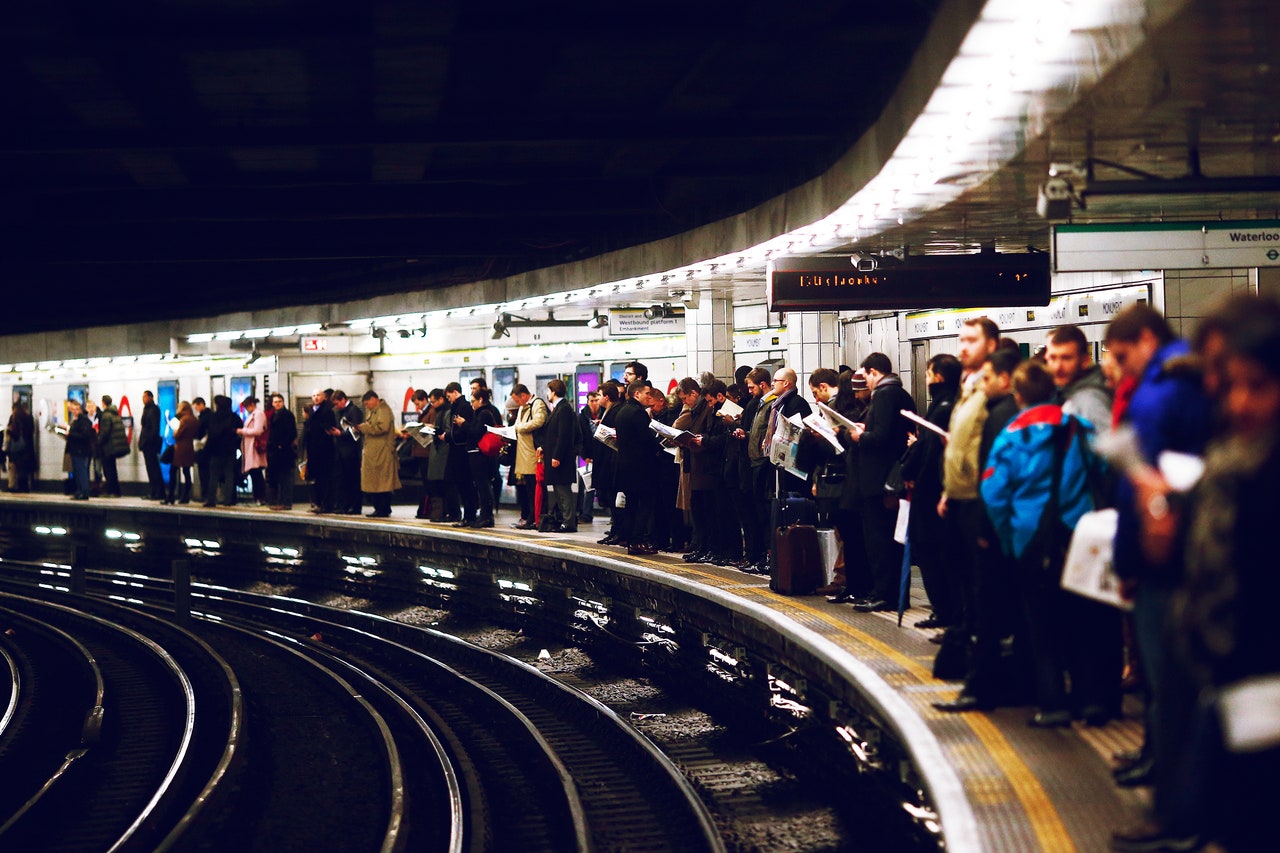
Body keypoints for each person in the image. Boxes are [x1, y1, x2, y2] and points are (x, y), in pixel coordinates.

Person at [982, 360, 1115, 728]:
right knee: (1083, 621)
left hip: (1031, 541)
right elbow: (1102, 470)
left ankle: (1054, 703)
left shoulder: (1012, 435)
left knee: (1042, 625)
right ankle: (1091, 703)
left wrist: (1010, 538)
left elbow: (994, 493)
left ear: (1018, 395)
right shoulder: (1079, 427)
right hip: (1078, 536)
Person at [844, 352, 916, 612]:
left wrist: (859, 436)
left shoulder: (885, 395)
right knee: (887, 540)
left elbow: (883, 436)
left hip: (878, 480)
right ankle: (893, 594)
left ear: (873, 372)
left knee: (880, 540)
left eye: (866, 376)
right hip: (887, 479)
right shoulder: (900, 394)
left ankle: (884, 594)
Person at [899, 355, 960, 623]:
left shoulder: (943, 407)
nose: (926, 378)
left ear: (938, 376)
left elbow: (933, 450)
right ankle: (944, 610)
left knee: (933, 553)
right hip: (935, 487)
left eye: (928, 373)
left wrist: (913, 475)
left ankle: (944, 611)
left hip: (931, 490)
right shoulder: (947, 403)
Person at [540, 378, 579, 532]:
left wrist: (557, 456)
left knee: (563, 491)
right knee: (558, 490)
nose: (547, 394)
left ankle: (569, 522)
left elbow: (564, 436)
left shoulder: (563, 409)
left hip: (561, 459)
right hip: (555, 457)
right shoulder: (558, 408)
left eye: (548, 391)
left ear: (554, 392)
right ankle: (563, 519)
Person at [461, 387, 501, 527]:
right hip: (481, 454)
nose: (472, 404)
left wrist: (463, 424)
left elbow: (476, 432)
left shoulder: (483, 414)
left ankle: (486, 516)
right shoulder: (486, 412)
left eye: (473, 401)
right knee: (482, 484)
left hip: (479, 454)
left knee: (482, 485)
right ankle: (485, 515)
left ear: (481, 400)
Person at [510, 384, 548, 528]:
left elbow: (539, 421)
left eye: (517, 400)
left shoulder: (537, 404)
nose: (517, 404)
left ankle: (537, 517)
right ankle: (532, 517)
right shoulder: (522, 407)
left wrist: (518, 428)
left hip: (532, 453)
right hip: (524, 453)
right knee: (529, 489)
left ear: (524, 396)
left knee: (536, 487)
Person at [357, 390, 400, 517]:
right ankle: (379, 507)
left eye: (367, 403)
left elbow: (383, 427)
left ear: (374, 399)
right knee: (374, 482)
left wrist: (365, 428)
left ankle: (383, 508)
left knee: (382, 483)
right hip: (373, 453)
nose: (366, 406)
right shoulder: (373, 410)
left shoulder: (383, 410)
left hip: (382, 453)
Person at [303, 388, 338, 513]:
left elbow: (329, 427)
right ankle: (318, 503)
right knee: (316, 478)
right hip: (314, 450)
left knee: (325, 478)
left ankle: (326, 504)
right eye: (313, 395)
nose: (316, 398)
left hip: (324, 450)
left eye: (318, 395)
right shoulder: (312, 411)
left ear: (324, 397)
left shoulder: (328, 411)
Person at [204, 394, 242, 507]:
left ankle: (211, 500)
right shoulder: (234, 417)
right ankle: (228, 500)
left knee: (213, 475)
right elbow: (239, 432)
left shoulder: (213, 417)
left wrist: (207, 450)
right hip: (230, 450)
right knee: (229, 475)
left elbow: (209, 434)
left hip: (215, 450)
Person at [332, 390, 364, 515]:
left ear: (343, 399)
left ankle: (355, 506)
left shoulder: (353, 410)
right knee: (344, 480)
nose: (336, 406)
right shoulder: (340, 412)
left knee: (353, 479)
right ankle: (345, 505)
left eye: (337, 403)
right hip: (342, 451)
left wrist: (341, 433)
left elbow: (356, 430)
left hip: (351, 451)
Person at [265, 393, 298, 511]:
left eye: (279, 401)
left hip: (284, 451)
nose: (277, 404)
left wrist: (281, 445)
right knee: (279, 478)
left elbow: (291, 433)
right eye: (275, 402)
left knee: (286, 478)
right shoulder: (273, 415)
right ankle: (281, 501)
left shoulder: (287, 415)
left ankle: (286, 502)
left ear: (283, 402)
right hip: (276, 452)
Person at [236, 396, 267, 504]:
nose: (246, 409)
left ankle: (260, 497)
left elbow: (258, 430)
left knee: (256, 473)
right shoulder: (254, 415)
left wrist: (242, 431)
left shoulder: (258, 414)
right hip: (251, 447)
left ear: (251, 405)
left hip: (254, 447)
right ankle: (258, 497)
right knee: (254, 473)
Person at [166, 401, 198, 504]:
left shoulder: (184, 420)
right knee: (186, 472)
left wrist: (175, 431)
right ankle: (186, 496)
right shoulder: (194, 419)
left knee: (173, 471)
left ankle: (170, 496)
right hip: (189, 447)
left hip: (180, 448)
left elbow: (177, 435)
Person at [96, 395, 128, 497]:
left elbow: (104, 432)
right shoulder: (115, 414)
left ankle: (112, 491)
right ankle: (116, 491)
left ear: (103, 403)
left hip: (108, 447)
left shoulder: (106, 415)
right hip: (114, 447)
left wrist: (98, 442)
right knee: (112, 469)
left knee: (108, 470)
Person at [64, 399, 95, 500]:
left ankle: (84, 492)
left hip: (81, 450)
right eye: (73, 409)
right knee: (77, 472)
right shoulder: (75, 421)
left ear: (80, 409)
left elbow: (84, 435)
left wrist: (70, 434)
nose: (74, 411)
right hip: (75, 450)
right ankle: (79, 490)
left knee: (82, 471)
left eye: (76, 409)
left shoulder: (84, 421)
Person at [138, 389, 165, 499]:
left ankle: (158, 491)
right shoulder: (148, 409)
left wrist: (147, 440)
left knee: (153, 468)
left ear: (150, 397)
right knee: (151, 468)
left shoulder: (153, 410)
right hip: (147, 443)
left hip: (150, 444)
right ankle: (154, 491)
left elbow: (153, 429)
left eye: (144, 397)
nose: (143, 399)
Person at [6, 402, 37, 492]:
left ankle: (18, 486)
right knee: (24, 469)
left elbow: (14, 434)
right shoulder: (29, 418)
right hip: (27, 447)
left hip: (18, 448)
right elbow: (31, 431)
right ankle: (25, 487)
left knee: (17, 468)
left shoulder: (15, 419)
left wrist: (9, 432)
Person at [192, 397, 212, 502]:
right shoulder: (208, 415)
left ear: (201, 404)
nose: (196, 410)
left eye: (196, 407)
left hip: (203, 448)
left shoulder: (204, 417)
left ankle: (206, 495)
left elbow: (200, 431)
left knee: (204, 473)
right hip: (208, 448)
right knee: (206, 473)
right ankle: (206, 495)